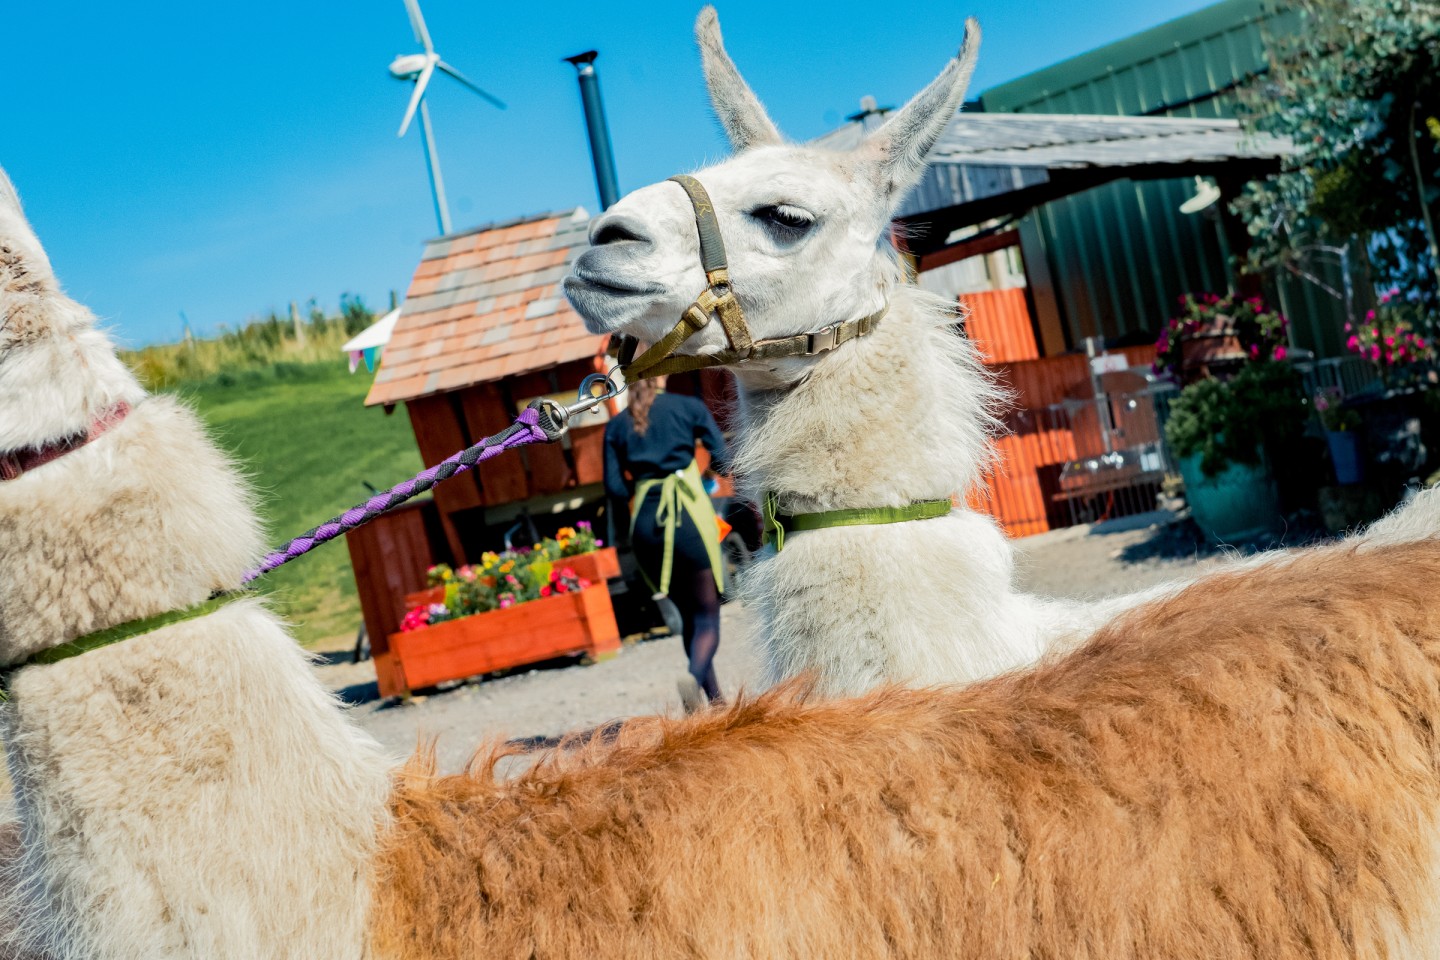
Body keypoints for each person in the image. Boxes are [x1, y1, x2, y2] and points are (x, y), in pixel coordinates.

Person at [604, 376, 728, 712]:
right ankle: (694, 675)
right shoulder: (688, 407)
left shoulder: (616, 425)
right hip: (687, 515)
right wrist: (709, 474)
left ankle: (714, 703)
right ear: (661, 375)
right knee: (706, 614)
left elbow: (615, 490)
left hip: (645, 523)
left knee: (688, 614)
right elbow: (724, 459)